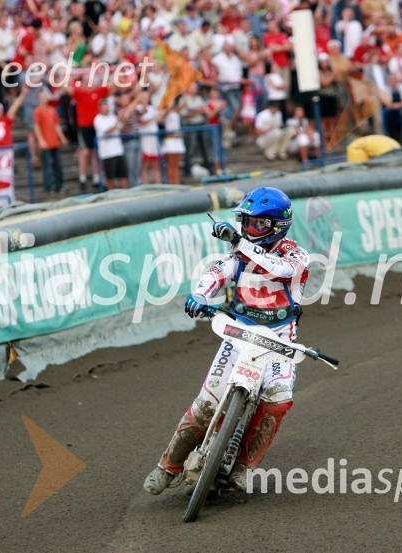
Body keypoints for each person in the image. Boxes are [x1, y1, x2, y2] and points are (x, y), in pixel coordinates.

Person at [144, 186, 311, 495]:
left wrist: (239, 240)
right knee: (206, 403)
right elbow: (217, 271)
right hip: (240, 330)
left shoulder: (296, 256)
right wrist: (199, 295)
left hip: (279, 336)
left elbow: (276, 268)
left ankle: (245, 467)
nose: (249, 230)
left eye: (258, 225)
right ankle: (168, 466)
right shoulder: (239, 255)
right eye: (245, 223)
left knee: (278, 399)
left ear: (278, 226)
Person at [34, 90, 68, 194]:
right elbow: (36, 126)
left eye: (45, 97)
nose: (44, 99)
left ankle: (59, 186)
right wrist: (41, 140)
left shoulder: (52, 110)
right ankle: (48, 188)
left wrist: (62, 137)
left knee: (57, 165)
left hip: (54, 142)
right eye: (42, 97)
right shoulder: (37, 111)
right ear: (39, 99)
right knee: (47, 167)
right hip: (45, 143)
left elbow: (56, 125)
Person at [93, 100, 128, 190]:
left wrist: (123, 118)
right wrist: (119, 121)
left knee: (123, 175)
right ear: (100, 108)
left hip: (118, 151)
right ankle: (111, 196)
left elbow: (121, 128)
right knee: (110, 177)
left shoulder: (113, 117)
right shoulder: (98, 119)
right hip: (107, 153)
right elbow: (108, 131)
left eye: (107, 105)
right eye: (104, 106)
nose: (107, 107)